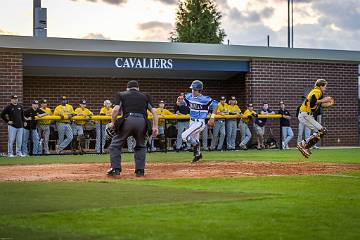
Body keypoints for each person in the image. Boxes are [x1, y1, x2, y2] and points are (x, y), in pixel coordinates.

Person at [107, 80, 158, 177]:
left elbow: (115, 110)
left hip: (128, 121)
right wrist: (155, 127)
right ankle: (140, 171)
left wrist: (113, 122)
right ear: (138, 88)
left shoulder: (121, 94)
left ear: (127, 88)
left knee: (115, 145)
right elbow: (154, 112)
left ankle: (115, 169)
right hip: (142, 122)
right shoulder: (145, 96)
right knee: (140, 146)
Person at [179, 80, 217, 162]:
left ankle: (196, 145)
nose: (193, 91)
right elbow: (181, 104)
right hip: (191, 121)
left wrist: (212, 117)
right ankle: (198, 155)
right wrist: (179, 101)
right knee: (194, 138)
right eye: (192, 89)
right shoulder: (189, 96)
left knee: (184, 136)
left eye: (195, 90)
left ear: (199, 90)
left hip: (199, 122)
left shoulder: (205, 99)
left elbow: (215, 105)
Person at [297, 79, 332, 158]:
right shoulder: (317, 91)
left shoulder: (315, 90)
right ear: (321, 86)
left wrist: (326, 104)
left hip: (306, 115)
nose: (325, 88)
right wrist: (324, 100)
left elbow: (314, 105)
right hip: (305, 114)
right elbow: (313, 102)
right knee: (322, 131)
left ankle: (304, 145)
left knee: (322, 131)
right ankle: (303, 145)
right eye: (325, 86)